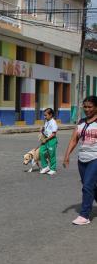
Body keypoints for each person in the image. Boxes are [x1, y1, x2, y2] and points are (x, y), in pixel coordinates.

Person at [63, 96, 97, 226]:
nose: (87, 109)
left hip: (95, 158)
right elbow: (74, 140)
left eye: (90, 107)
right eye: (85, 106)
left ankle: (84, 215)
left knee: (87, 186)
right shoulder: (81, 122)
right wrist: (67, 155)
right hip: (82, 159)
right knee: (91, 186)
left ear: (96, 107)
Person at [39, 108, 58, 175]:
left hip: (51, 140)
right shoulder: (46, 121)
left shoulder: (53, 122)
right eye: (44, 115)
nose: (44, 117)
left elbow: (53, 133)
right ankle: (45, 167)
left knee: (51, 155)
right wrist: (42, 129)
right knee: (41, 152)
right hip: (45, 139)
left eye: (45, 115)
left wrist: (46, 139)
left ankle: (53, 169)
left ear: (51, 115)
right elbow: (46, 129)